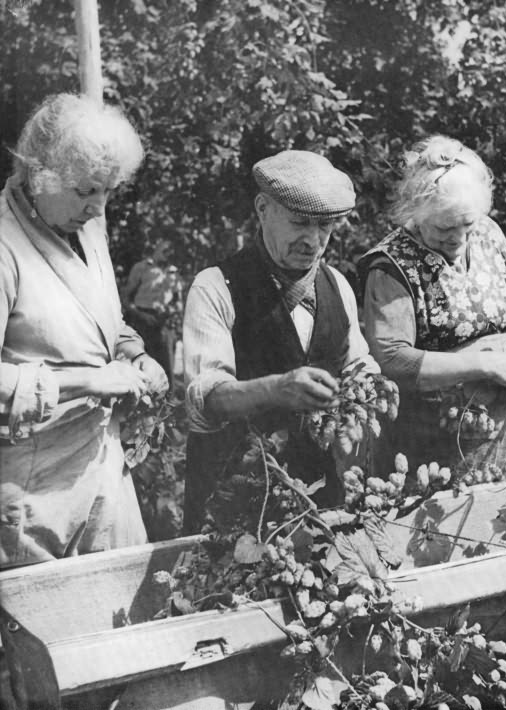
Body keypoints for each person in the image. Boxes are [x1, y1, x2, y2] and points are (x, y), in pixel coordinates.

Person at [0, 93, 168, 568]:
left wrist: (134, 355)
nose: (98, 207)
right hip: (31, 494)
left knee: (123, 622)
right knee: (43, 634)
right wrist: (87, 380)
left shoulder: (86, 229)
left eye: (108, 191)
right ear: (39, 174)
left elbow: (101, 321)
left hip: (102, 474)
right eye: (85, 191)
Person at [183, 150, 378, 530]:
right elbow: (207, 400)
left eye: (325, 226)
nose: (313, 240)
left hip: (320, 499)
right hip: (233, 501)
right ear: (262, 208)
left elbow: (358, 365)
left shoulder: (338, 285)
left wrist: (366, 392)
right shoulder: (216, 286)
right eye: (299, 222)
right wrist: (277, 389)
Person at [360, 135, 506, 473]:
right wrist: (486, 365)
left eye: (467, 224)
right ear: (415, 213)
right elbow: (394, 360)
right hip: (433, 449)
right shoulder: (391, 267)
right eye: (444, 228)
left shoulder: (489, 233)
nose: (459, 239)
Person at [122, 238, 183, 387]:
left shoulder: (174, 273)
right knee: (138, 364)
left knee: (167, 365)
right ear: (156, 248)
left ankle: (167, 405)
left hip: (163, 322)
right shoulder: (141, 268)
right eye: (165, 250)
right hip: (141, 319)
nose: (168, 254)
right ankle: (137, 405)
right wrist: (142, 315)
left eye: (171, 251)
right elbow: (125, 298)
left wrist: (172, 309)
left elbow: (179, 302)